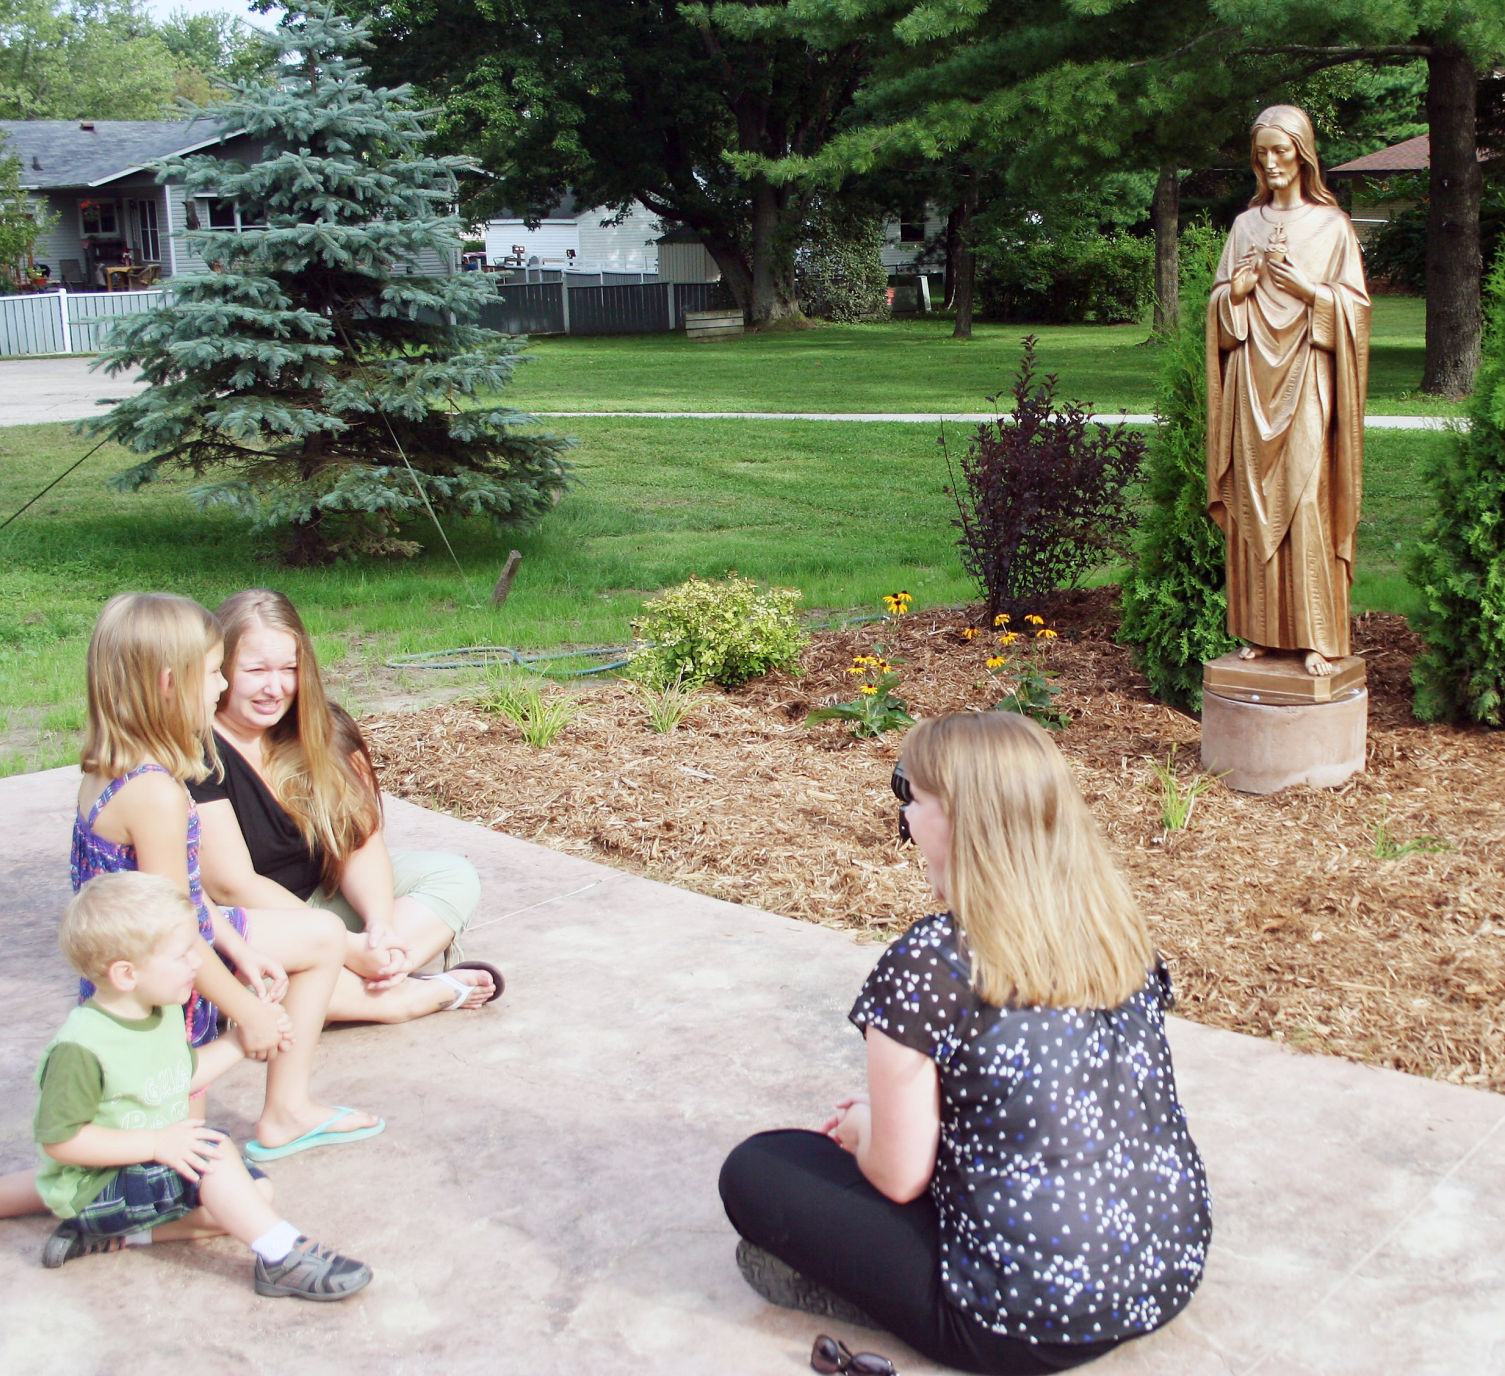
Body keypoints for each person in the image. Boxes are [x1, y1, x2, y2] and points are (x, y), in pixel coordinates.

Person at [719, 712, 1212, 1375]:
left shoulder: (931, 962)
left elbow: (899, 1179)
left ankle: (889, 1306)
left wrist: (866, 1129)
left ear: (959, 819)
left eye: (910, 795)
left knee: (761, 1167)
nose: (903, 813)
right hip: (1166, 1270)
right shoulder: (1114, 930)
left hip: (1025, 1322)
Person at [73, 592, 382, 1160]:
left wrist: (239, 944)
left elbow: (183, 888)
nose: (221, 689)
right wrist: (249, 1014)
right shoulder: (156, 795)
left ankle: (287, 1110)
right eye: (215, 673)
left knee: (322, 934)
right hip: (157, 983)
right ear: (171, 683)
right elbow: (177, 927)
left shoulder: (114, 765)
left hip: (147, 952)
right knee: (183, 1171)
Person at [24, 872, 372, 1300]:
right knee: (214, 1151)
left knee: (255, 1194)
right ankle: (282, 1257)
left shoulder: (160, 1011)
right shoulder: (82, 1048)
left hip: (144, 1168)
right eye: (184, 954)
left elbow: (178, 1078)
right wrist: (155, 1144)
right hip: (97, 1187)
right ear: (126, 973)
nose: (198, 962)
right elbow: (62, 1142)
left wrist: (238, 1042)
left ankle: (123, 1238)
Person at [190, 589, 498, 1023]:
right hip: (255, 927)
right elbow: (230, 885)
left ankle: (359, 977)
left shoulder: (322, 726)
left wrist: (377, 925)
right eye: (255, 670)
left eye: (288, 670)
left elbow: (359, 838)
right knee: (220, 973)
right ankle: (404, 997)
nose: (274, 688)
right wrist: (346, 945)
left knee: (452, 876)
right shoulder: (197, 752)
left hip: (320, 902)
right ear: (221, 671)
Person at [1207, 103, 1369, 678]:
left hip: (1306, 379)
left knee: (1305, 501)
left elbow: (1356, 313)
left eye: (1281, 151)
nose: (1271, 163)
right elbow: (1221, 317)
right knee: (1254, 502)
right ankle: (1263, 631)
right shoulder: (1244, 226)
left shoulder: (1333, 228)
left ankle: (1317, 636)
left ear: (1303, 155)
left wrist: (1308, 290)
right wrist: (1237, 291)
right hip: (1253, 380)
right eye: (1262, 153)